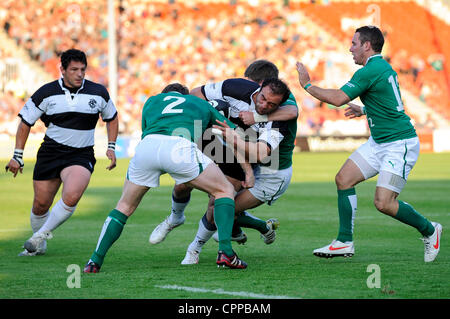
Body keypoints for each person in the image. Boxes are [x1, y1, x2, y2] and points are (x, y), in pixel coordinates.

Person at [296, 26, 442, 262]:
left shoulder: (369, 70)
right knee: (343, 179)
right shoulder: (380, 67)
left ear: (367, 45)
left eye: (354, 43)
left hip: (399, 144)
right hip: (380, 142)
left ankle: (429, 229)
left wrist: (307, 85)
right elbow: (389, 101)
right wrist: (365, 109)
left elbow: (337, 99)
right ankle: (344, 242)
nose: (350, 48)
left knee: (384, 203)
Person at [83, 83, 252, 273]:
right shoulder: (198, 103)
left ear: (165, 94)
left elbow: (147, 129)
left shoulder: (151, 101)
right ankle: (226, 253)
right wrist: (247, 170)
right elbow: (231, 135)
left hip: (147, 147)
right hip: (179, 148)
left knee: (124, 206)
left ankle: (94, 261)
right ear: (185, 95)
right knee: (224, 190)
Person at [150, 65, 297, 264]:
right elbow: (195, 95)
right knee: (185, 185)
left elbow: (262, 153)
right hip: (235, 150)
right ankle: (176, 218)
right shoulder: (235, 88)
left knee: (221, 207)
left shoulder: (280, 117)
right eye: (262, 98)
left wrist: (237, 134)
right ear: (258, 87)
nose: (264, 105)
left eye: (271, 104)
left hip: (272, 171)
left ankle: (195, 248)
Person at [6, 49, 119, 256]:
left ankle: (39, 237)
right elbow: (25, 123)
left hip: (81, 155)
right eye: (74, 69)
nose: (79, 74)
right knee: (40, 205)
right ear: (62, 70)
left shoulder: (98, 92)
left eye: (83, 69)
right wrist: (17, 156)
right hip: (50, 153)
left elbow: (111, 118)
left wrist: (111, 147)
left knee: (72, 195)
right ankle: (39, 244)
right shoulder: (46, 92)